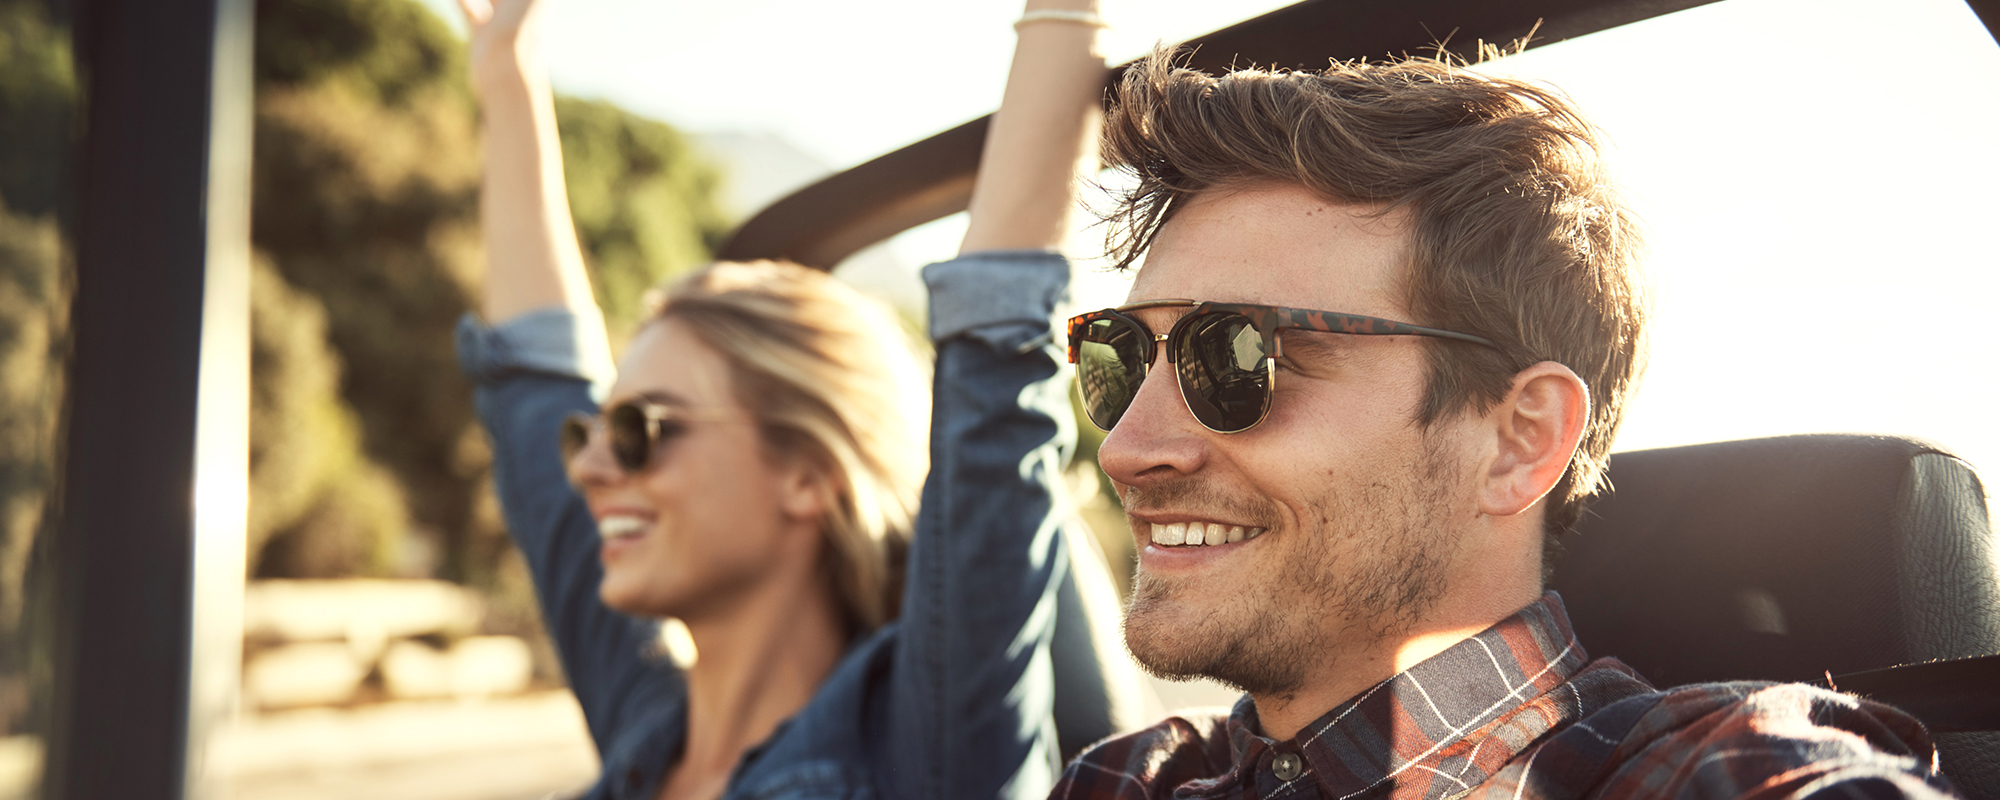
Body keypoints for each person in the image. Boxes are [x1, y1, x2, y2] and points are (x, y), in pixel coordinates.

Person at [1049, 50, 1958, 799]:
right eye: (1120, 356)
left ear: (1520, 437)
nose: (1130, 448)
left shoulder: (1719, 769)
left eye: (1242, 357)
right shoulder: (1126, 781)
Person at [450, 0, 1116, 798]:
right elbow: (534, 377)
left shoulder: (925, 759)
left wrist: (1066, 14)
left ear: (808, 471)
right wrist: (507, 83)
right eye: (585, 433)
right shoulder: (645, 729)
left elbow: (998, 344)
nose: (588, 468)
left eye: (637, 429)